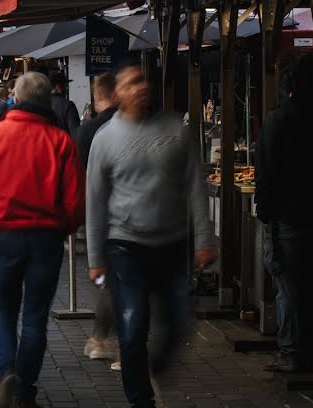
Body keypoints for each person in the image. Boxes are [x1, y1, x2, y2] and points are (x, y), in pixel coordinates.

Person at [86, 62, 218, 408]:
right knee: (132, 327)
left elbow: (195, 187)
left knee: (178, 321)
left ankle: (154, 368)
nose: (140, 87)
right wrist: (96, 259)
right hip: (124, 246)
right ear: (116, 94)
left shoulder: (175, 129)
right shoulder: (105, 139)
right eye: (131, 83)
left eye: (142, 81)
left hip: (173, 244)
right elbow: (96, 200)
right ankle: (140, 399)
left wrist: (205, 238)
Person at [0, 73, 85, 408]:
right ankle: (26, 387)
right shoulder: (60, 141)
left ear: (15, 96)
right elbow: (74, 200)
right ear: (47, 99)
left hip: (3, 235)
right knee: (35, 315)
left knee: (1, 309)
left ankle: (6, 371)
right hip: (46, 237)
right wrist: (66, 228)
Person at [255, 53, 313, 373]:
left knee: (287, 281)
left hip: (286, 214)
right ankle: (310, 346)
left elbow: (265, 170)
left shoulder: (279, 119)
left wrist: (263, 211)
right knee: (310, 281)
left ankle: (292, 351)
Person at [73, 72, 119, 363]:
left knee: (113, 282)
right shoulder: (141, 126)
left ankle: (104, 339)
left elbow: (80, 175)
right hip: (133, 218)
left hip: (101, 216)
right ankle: (109, 339)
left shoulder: (89, 130)